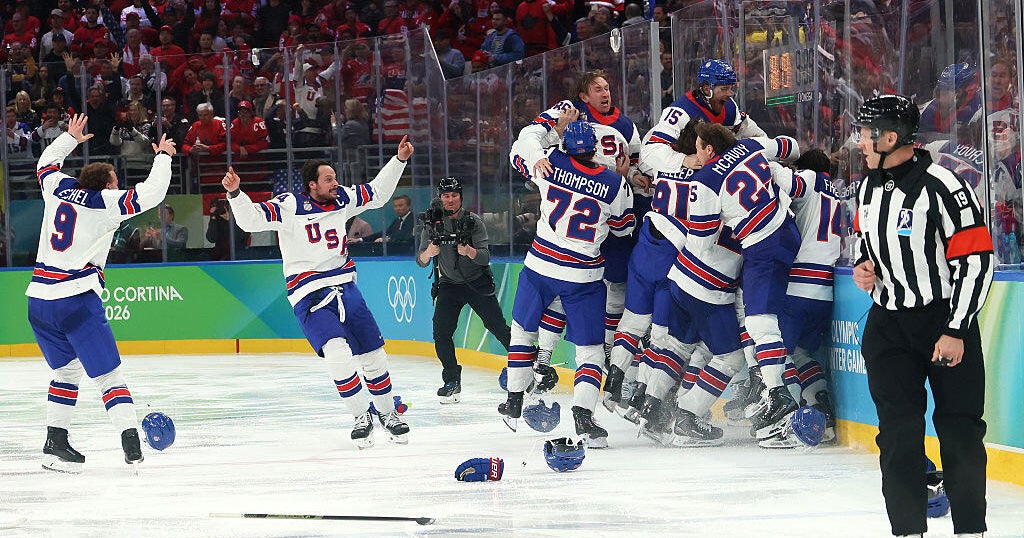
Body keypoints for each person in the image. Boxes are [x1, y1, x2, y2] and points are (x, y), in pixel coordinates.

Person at [852, 94, 992, 538]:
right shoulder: (867, 186)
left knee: (959, 430)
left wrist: (956, 329)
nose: (859, 142)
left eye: (866, 133)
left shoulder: (944, 186)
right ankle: (907, 530)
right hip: (888, 326)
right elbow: (865, 242)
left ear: (891, 137)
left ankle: (970, 530)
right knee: (897, 435)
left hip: (943, 324)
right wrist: (863, 266)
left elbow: (976, 261)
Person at [219, 136, 415, 449]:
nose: (335, 183)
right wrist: (235, 193)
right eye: (328, 179)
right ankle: (360, 416)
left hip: (346, 287)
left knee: (374, 354)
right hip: (309, 294)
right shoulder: (289, 205)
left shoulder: (343, 198)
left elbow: (377, 193)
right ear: (312, 185)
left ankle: (388, 413)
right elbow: (250, 220)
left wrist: (399, 160)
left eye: (335, 178)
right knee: (337, 353)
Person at [28, 114, 176, 473]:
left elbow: (45, 163)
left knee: (66, 373)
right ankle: (131, 443)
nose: (118, 184)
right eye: (115, 181)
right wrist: (163, 156)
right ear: (108, 184)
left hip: (39, 300)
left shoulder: (58, 187)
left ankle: (55, 443)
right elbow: (152, 193)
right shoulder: (105, 203)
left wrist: (69, 138)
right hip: (75, 298)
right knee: (109, 377)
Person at [503, 121, 634, 446]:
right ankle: (584, 417)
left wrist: (550, 126)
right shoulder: (614, 182)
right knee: (590, 352)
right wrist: (619, 180)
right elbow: (623, 228)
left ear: (565, 146)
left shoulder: (550, 161)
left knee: (522, 333)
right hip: (582, 276)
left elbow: (521, 145)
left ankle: (514, 400)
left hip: (540, 267)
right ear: (594, 149)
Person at [416, 177, 512, 402]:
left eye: (454, 195)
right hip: (449, 284)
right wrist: (429, 252)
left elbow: (485, 257)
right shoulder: (431, 223)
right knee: (441, 332)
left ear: (461, 197)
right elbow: (420, 260)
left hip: (476, 281)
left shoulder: (473, 221)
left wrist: (469, 251)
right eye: (446, 196)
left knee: (497, 326)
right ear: (440, 198)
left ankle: (529, 362)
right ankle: (451, 380)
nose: (450, 200)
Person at [639, 59, 766, 173]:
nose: (730, 93)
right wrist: (684, 160)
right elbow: (650, 151)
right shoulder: (680, 112)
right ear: (706, 89)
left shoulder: (730, 107)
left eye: (731, 88)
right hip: (667, 169)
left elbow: (756, 135)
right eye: (724, 89)